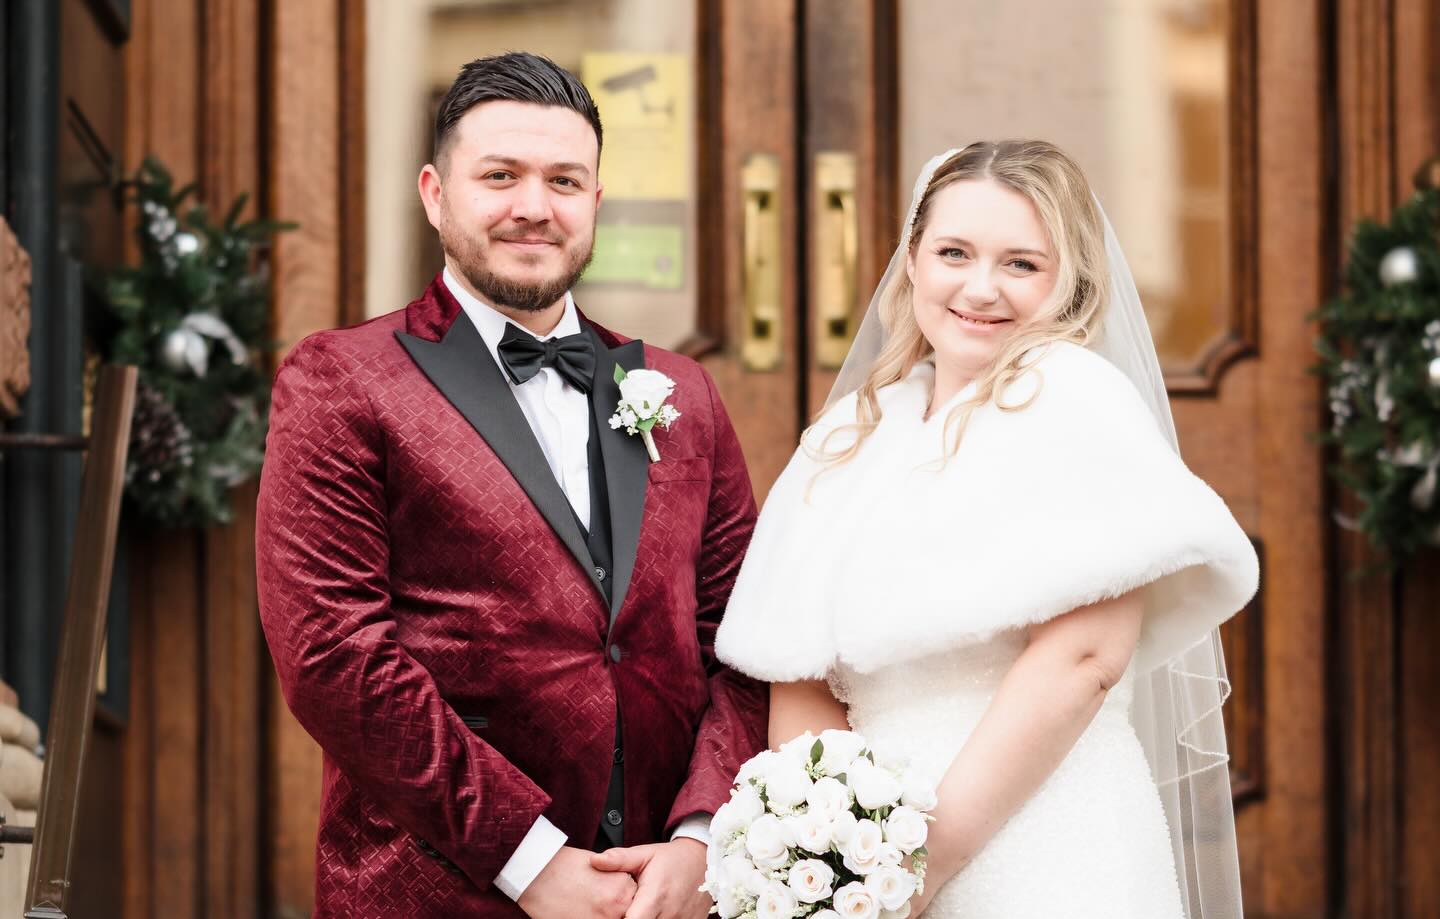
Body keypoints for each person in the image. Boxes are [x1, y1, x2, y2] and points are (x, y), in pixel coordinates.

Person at [256, 51, 767, 919]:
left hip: (664, 893)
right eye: (501, 176)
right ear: (434, 193)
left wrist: (703, 834)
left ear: (595, 204)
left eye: (564, 180)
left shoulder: (685, 395)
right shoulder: (343, 380)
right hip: (436, 886)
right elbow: (334, 655)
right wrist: (530, 861)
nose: (535, 206)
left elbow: (746, 640)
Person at [714, 141, 1259, 918]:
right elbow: (796, 667)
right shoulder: (850, 438)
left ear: (1067, 281)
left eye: (1020, 265)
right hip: (873, 865)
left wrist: (920, 864)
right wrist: (828, 853)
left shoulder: (1076, 403)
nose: (980, 287)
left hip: (1046, 838)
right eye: (954, 253)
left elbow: (1083, 656)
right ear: (911, 260)